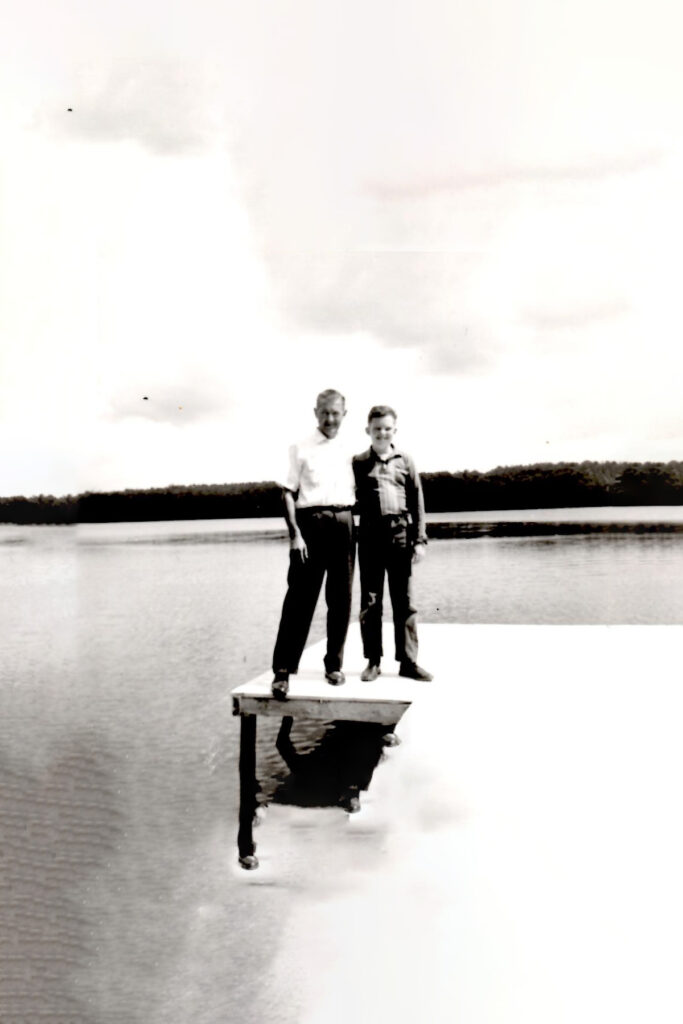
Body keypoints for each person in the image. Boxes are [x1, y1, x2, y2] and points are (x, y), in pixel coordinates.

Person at [271, 389, 356, 700]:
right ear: (315, 412)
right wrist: (295, 534)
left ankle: (334, 665)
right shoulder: (300, 447)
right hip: (310, 524)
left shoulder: (354, 449)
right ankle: (282, 670)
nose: (330, 419)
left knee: (341, 598)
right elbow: (287, 492)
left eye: (335, 413)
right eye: (324, 412)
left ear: (344, 414)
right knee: (299, 600)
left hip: (345, 522)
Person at [352, 405, 433, 682]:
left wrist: (420, 540)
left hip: (400, 534)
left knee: (405, 601)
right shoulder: (359, 462)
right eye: (377, 429)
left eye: (387, 428)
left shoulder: (405, 461)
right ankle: (373, 661)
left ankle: (408, 663)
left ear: (394, 431)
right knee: (371, 601)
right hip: (370, 537)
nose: (382, 433)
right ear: (368, 431)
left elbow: (417, 502)